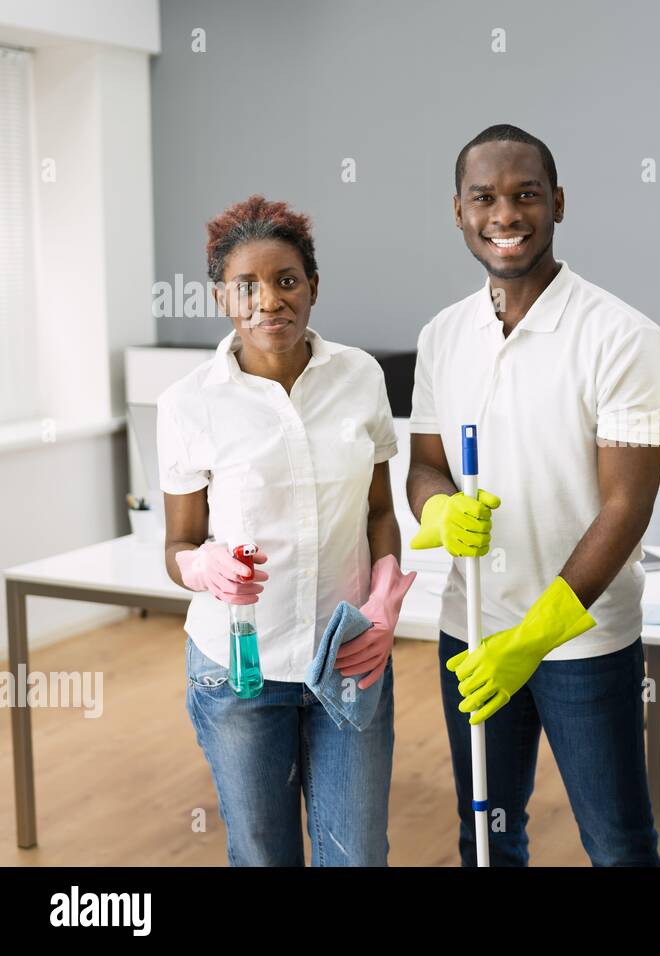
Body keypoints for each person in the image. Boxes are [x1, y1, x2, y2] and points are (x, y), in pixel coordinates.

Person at [406, 124, 660, 866]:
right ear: (457, 212)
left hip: (580, 639)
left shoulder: (623, 336)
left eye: (526, 194)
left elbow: (625, 510)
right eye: (484, 198)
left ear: (557, 202)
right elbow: (425, 464)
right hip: (471, 632)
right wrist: (437, 508)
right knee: (487, 836)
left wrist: (532, 639)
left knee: (617, 843)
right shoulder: (443, 336)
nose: (506, 214)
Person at [158, 195, 413, 866]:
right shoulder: (188, 403)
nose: (268, 300)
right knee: (265, 854)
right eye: (247, 286)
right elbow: (176, 544)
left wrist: (385, 597)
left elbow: (380, 511)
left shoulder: (359, 377)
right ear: (223, 299)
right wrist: (201, 566)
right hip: (239, 673)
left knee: (357, 852)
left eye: (286, 280)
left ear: (313, 287)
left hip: (348, 657)